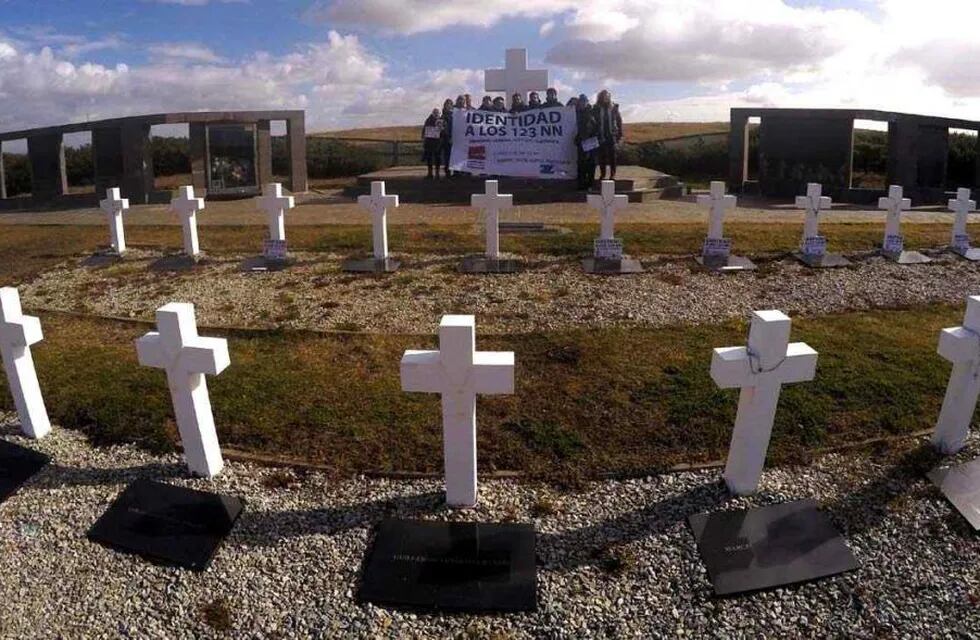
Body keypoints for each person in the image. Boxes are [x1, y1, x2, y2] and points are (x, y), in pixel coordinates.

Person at [593, 89, 623, 180]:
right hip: (601, 134)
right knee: (602, 156)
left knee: (612, 156)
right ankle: (602, 174)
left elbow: (619, 120)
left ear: (609, 97)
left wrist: (620, 133)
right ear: (600, 97)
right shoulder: (596, 108)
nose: (605, 97)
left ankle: (612, 174)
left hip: (611, 134)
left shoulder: (614, 107)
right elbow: (593, 121)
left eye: (607, 96)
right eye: (603, 96)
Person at [575, 96, 597, 189]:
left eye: (584, 101)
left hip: (591, 140)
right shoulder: (575, 113)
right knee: (581, 163)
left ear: (587, 102)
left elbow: (597, 126)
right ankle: (581, 184)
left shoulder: (593, 112)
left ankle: (590, 183)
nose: (583, 103)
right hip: (580, 140)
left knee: (591, 163)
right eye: (581, 102)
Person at [422, 108, 444, 179]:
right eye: (435, 112)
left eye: (437, 113)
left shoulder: (441, 121)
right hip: (429, 143)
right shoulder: (428, 120)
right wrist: (423, 136)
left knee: (437, 158)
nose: (436, 114)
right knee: (429, 158)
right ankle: (430, 173)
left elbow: (443, 132)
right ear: (433, 113)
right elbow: (425, 129)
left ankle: (437, 173)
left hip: (438, 143)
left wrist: (442, 129)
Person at [440, 98, 454, 178]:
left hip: (455, 138)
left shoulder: (455, 115)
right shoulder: (443, 116)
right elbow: (442, 128)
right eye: (447, 105)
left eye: (450, 104)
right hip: (446, 139)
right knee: (447, 156)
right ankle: (447, 171)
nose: (448, 106)